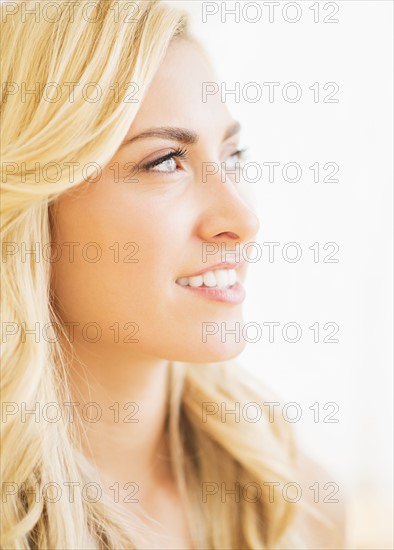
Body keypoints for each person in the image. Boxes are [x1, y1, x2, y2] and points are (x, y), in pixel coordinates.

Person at [0, 1, 345, 548]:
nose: (243, 221)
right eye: (165, 161)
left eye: (233, 156)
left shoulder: (294, 508)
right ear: (34, 215)